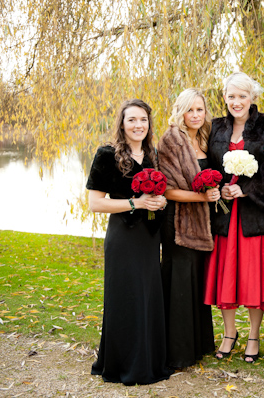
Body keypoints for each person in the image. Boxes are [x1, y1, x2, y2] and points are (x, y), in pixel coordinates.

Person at [87, 98, 173, 385]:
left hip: (149, 238)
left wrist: (158, 202)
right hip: (123, 238)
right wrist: (136, 203)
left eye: (143, 120)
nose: (138, 125)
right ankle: (123, 364)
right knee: (125, 298)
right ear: (122, 124)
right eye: (132, 120)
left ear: (149, 125)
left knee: (147, 296)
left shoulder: (154, 156)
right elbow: (95, 204)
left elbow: (156, 199)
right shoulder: (106, 155)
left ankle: (147, 361)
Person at [204, 72, 264, 363]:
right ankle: (228, 333)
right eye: (231, 96)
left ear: (253, 98)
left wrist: (245, 188)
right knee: (226, 275)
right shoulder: (215, 128)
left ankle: (253, 335)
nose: (237, 102)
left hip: (253, 213)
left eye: (243, 96)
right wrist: (217, 187)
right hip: (224, 215)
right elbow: (206, 164)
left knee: (252, 278)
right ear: (224, 97)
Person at [157, 88, 219, 368]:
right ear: (180, 111)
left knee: (196, 281)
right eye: (190, 110)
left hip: (202, 223)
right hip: (177, 222)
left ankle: (198, 345)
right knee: (179, 282)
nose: (195, 115)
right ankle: (178, 352)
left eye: (200, 110)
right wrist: (202, 197)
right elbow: (167, 191)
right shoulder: (172, 140)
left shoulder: (205, 139)